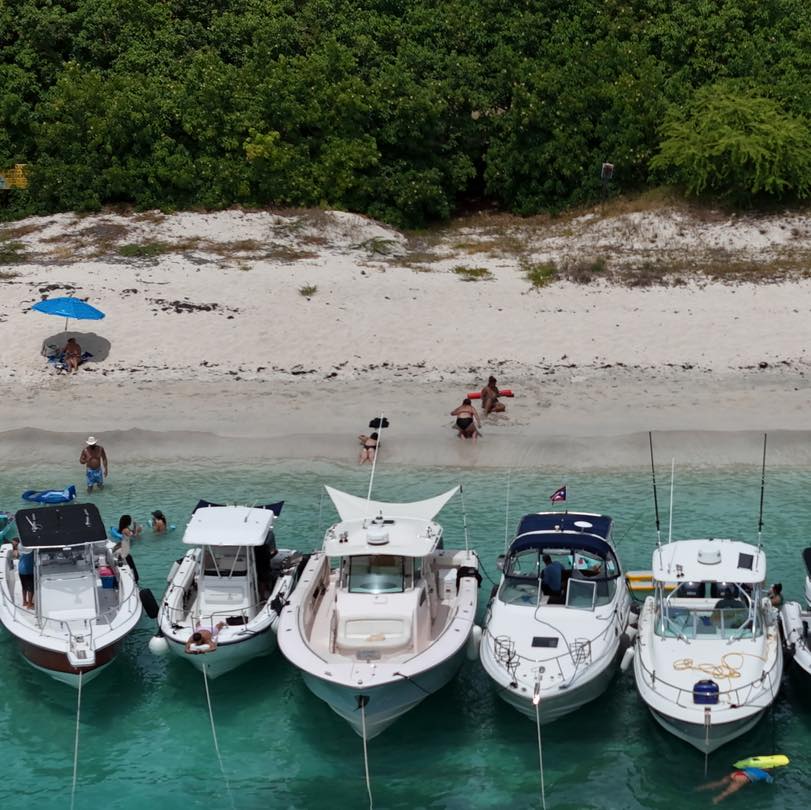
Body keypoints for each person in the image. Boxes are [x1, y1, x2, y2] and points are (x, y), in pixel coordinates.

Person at [697, 767, 774, 804]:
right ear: (768, 769)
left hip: (736, 774)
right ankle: (715, 799)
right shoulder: (766, 774)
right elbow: (769, 782)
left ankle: (701, 788)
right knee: (727, 792)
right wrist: (771, 777)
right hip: (743, 779)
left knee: (720, 783)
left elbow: (742, 767)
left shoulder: (753, 767)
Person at [12, 538, 35, 609]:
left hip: (21, 569)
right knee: (30, 588)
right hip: (29, 570)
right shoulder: (30, 548)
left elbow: (16, 556)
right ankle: (30, 604)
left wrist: (15, 547)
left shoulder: (19, 547)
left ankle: (24, 602)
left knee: (24, 586)